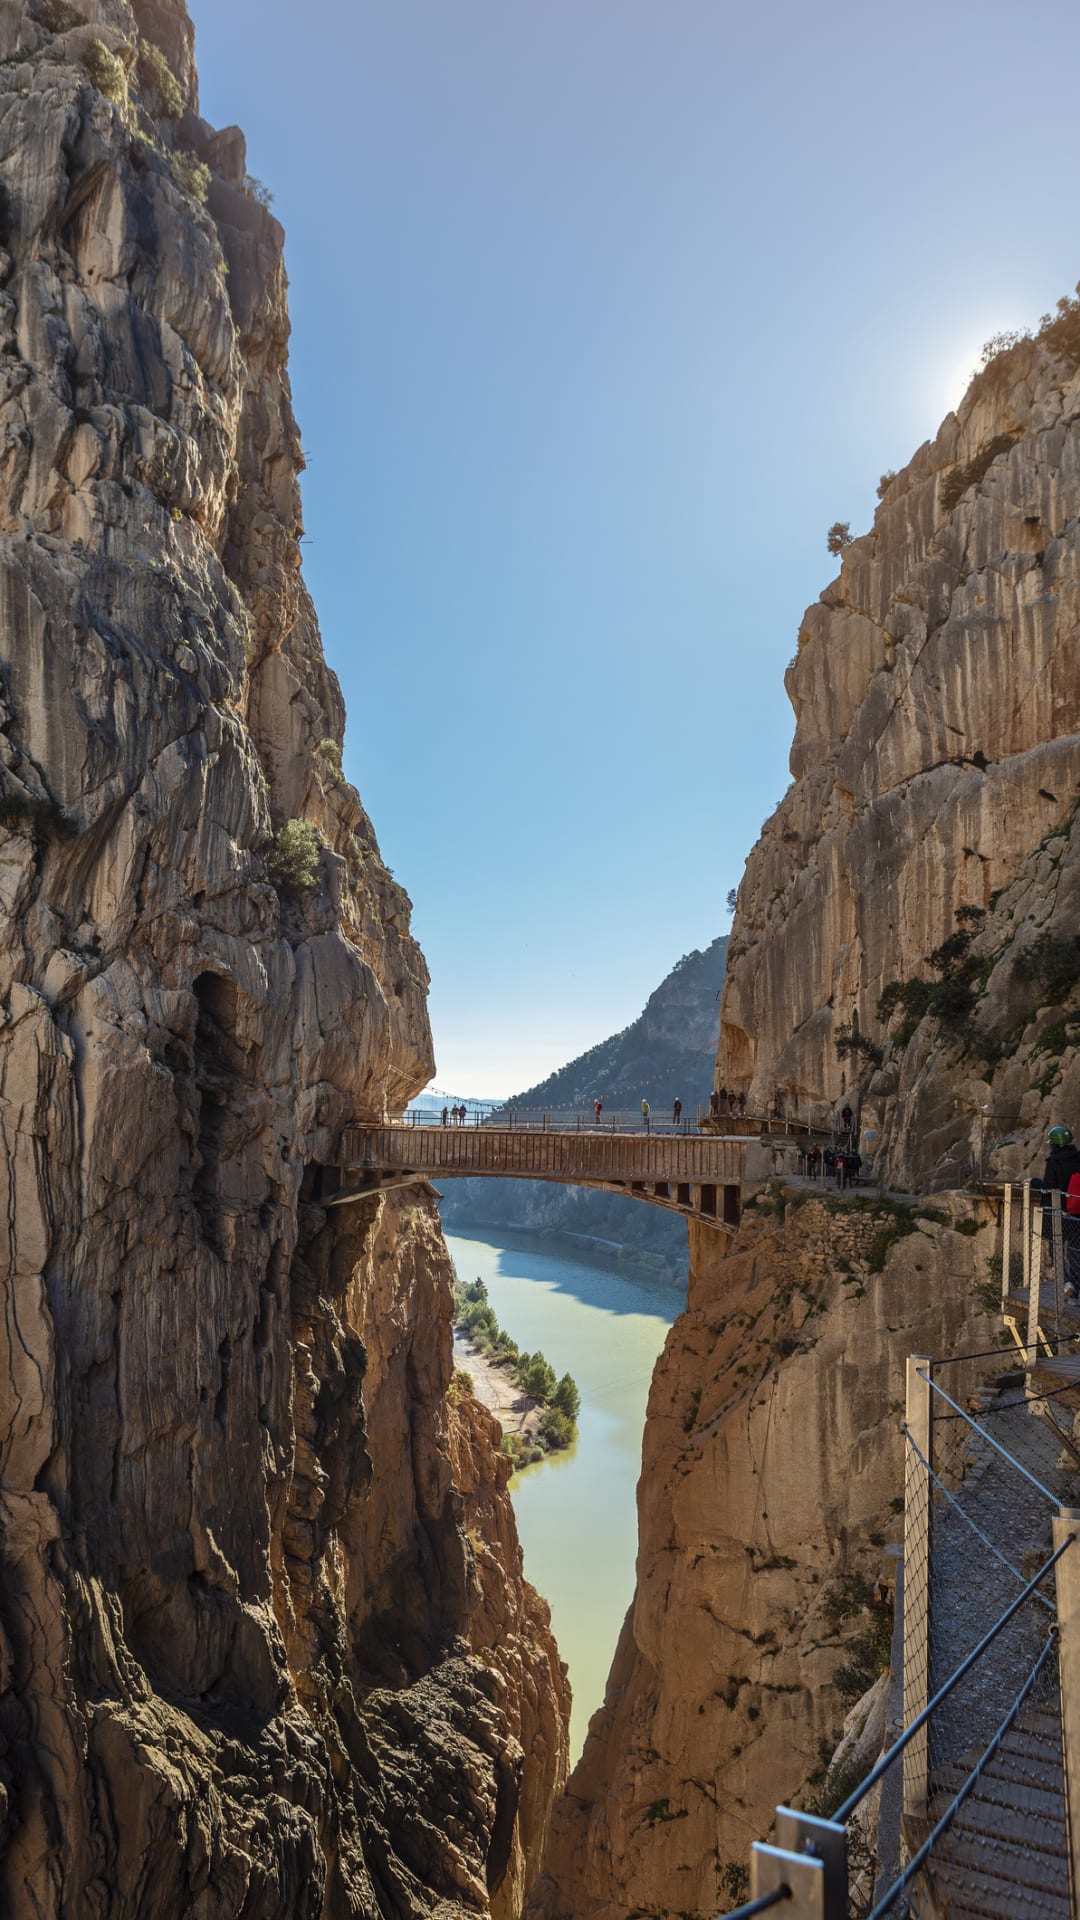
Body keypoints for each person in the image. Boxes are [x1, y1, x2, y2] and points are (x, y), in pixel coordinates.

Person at [1036, 1125, 1080, 1297]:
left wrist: (1033, 1182)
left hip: (1057, 1214)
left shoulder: (1054, 1162)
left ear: (1053, 1145)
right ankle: (1077, 1291)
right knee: (1076, 1253)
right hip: (1076, 1214)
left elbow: (1047, 1188)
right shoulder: (1078, 1159)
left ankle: (1067, 1283)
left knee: (1056, 1250)